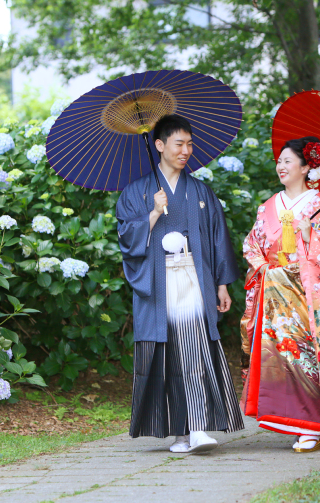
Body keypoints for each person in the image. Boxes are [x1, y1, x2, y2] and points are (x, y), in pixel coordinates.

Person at [116, 114, 245, 453]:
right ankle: (182, 433)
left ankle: (199, 425)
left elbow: (218, 238)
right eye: (179, 144)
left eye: (190, 144)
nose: (186, 150)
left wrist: (221, 284)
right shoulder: (136, 193)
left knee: (194, 345)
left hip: (193, 277)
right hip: (158, 281)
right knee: (168, 354)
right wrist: (154, 213)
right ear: (159, 146)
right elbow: (127, 238)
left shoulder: (200, 191)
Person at [240, 136, 320, 453]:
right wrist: (266, 268)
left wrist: (313, 235)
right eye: (278, 161)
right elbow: (251, 245)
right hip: (275, 292)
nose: (281, 166)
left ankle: (312, 426)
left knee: (307, 357)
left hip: (307, 292)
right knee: (281, 357)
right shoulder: (267, 206)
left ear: (306, 167)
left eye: (288, 161)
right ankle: (289, 420)